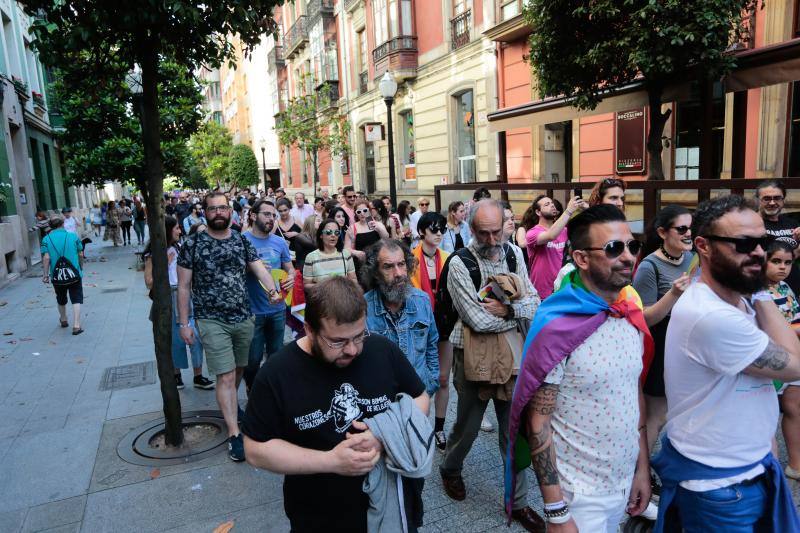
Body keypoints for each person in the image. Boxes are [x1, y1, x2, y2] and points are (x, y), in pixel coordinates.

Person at [652, 194, 800, 532]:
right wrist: (762, 289)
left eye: (762, 241)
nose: (759, 253)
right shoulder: (711, 315)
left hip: (747, 467)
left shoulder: (736, 297)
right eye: (744, 244)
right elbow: (795, 364)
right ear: (703, 246)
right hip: (721, 488)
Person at [242, 277, 430, 532]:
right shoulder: (277, 373)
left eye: (359, 336)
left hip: (392, 508)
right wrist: (330, 461)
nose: (352, 350)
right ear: (309, 329)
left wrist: (382, 435)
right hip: (318, 517)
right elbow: (255, 449)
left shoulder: (381, 350)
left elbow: (421, 398)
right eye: (338, 341)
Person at [508, 204, 652, 532]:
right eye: (614, 248)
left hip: (622, 481)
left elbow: (635, 395)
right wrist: (557, 510)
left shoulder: (628, 314)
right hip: (578, 495)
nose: (628, 257)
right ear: (582, 259)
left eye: (632, 246)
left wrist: (641, 470)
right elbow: (538, 423)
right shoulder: (558, 326)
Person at [439, 200, 544, 532]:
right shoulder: (459, 263)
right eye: (483, 232)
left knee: (513, 432)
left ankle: (520, 502)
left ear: (504, 225)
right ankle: (450, 468)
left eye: (496, 230)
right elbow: (476, 319)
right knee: (467, 427)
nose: (491, 238)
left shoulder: (514, 253)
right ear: (471, 229)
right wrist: (515, 312)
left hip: (513, 354)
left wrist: (510, 311)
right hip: (471, 355)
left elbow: (535, 302)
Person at [177, 192, 281, 462]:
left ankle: (231, 408)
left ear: (230, 211)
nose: (219, 212)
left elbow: (259, 269)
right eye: (213, 209)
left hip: (243, 317)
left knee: (238, 370)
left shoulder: (240, 240)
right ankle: (235, 434)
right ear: (205, 212)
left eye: (223, 207)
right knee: (224, 376)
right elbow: (184, 287)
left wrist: (273, 291)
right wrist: (184, 323)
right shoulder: (192, 243)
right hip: (211, 320)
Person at [632, 206, 693, 456]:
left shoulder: (691, 258)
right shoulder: (649, 266)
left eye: (691, 227)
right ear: (662, 232)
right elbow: (645, 317)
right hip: (662, 341)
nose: (689, 233)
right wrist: (674, 293)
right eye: (682, 228)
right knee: (656, 413)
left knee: (675, 411)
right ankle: (639, 472)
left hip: (686, 339)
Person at [143, 216, 214, 390]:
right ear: (167, 230)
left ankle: (198, 376)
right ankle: (176, 375)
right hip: (169, 298)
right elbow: (149, 282)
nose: (180, 231)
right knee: (176, 340)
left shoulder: (180, 247)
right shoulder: (154, 254)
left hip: (187, 295)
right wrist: (164, 264)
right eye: (176, 228)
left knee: (196, 337)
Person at [363, 238, 439, 396]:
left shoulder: (422, 300)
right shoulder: (363, 308)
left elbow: (432, 345)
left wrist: (430, 383)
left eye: (401, 264)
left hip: (420, 396)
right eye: (388, 267)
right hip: (383, 400)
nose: (398, 274)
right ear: (375, 272)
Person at [410, 212, 453, 451]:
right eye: (434, 229)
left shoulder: (447, 258)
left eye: (442, 229)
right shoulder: (410, 260)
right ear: (421, 232)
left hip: (444, 323)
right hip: (419, 325)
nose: (438, 233)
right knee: (419, 379)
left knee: (443, 378)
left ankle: (439, 427)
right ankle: (419, 425)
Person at [243, 200, 295, 393]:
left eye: (273, 215)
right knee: (253, 359)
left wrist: (290, 277)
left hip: (277, 308)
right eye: (267, 214)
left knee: (276, 355)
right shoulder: (242, 240)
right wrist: (250, 268)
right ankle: (252, 387)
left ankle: (271, 392)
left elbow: (290, 268)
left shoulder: (279, 242)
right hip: (252, 310)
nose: (271, 219)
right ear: (253, 216)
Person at [765, 240, 800, 480]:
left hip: (792, 355)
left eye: (788, 262)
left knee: (794, 409)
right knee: (765, 414)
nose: (782, 267)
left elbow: (797, 318)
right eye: (776, 261)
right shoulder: (757, 290)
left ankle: (795, 464)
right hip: (769, 360)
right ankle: (770, 467)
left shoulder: (785, 288)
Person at [526, 195, 587, 299]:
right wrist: (569, 210)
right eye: (547, 204)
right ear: (538, 212)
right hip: (540, 293)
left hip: (561, 288)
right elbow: (551, 235)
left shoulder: (564, 231)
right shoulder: (532, 233)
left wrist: (587, 208)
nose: (552, 206)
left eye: (552, 203)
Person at [41, 215, 85, 335]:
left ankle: (64, 319)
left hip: (57, 276)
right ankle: (76, 325)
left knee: (60, 298)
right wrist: (80, 267)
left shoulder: (46, 239)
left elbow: (46, 258)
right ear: (63, 224)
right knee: (76, 298)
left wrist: (45, 275)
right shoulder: (73, 236)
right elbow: (80, 254)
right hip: (74, 274)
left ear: (51, 226)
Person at [757, 179, 800, 294]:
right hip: (763, 290)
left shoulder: (792, 223)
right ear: (758, 200)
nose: (772, 203)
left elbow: (793, 256)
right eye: (766, 198)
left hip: (792, 288)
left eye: (777, 198)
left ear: (783, 200)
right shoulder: (753, 223)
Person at [302, 219, 357, 287]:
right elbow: (306, 285)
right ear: (321, 235)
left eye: (336, 232)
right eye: (328, 232)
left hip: (343, 296)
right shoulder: (311, 257)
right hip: (320, 296)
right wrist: (325, 288)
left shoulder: (346, 254)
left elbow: (354, 280)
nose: (333, 235)